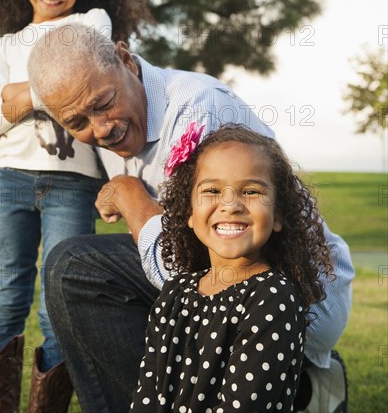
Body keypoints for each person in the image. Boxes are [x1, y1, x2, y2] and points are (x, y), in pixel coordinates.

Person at [27, 23, 354, 413]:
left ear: (126, 60)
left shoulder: (196, 108)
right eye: (77, 122)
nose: (100, 128)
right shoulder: (104, 107)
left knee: (75, 267)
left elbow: (197, 265)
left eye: (103, 104)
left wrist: (132, 198)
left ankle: (301, 384)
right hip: (226, 283)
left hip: (298, 295)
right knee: (81, 275)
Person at [0, 0, 150, 412]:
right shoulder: (3, 46)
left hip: (72, 185)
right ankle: (1, 404)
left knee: (58, 298)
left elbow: (2, 109)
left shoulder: (89, 22)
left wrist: (21, 97)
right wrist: (6, 106)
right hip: (11, 181)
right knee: (7, 286)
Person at [130, 124, 333, 412]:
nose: (230, 204)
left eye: (250, 191)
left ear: (277, 216)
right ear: (189, 212)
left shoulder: (273, 297)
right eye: (212, 190)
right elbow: (147, 395)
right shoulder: (175, 293)